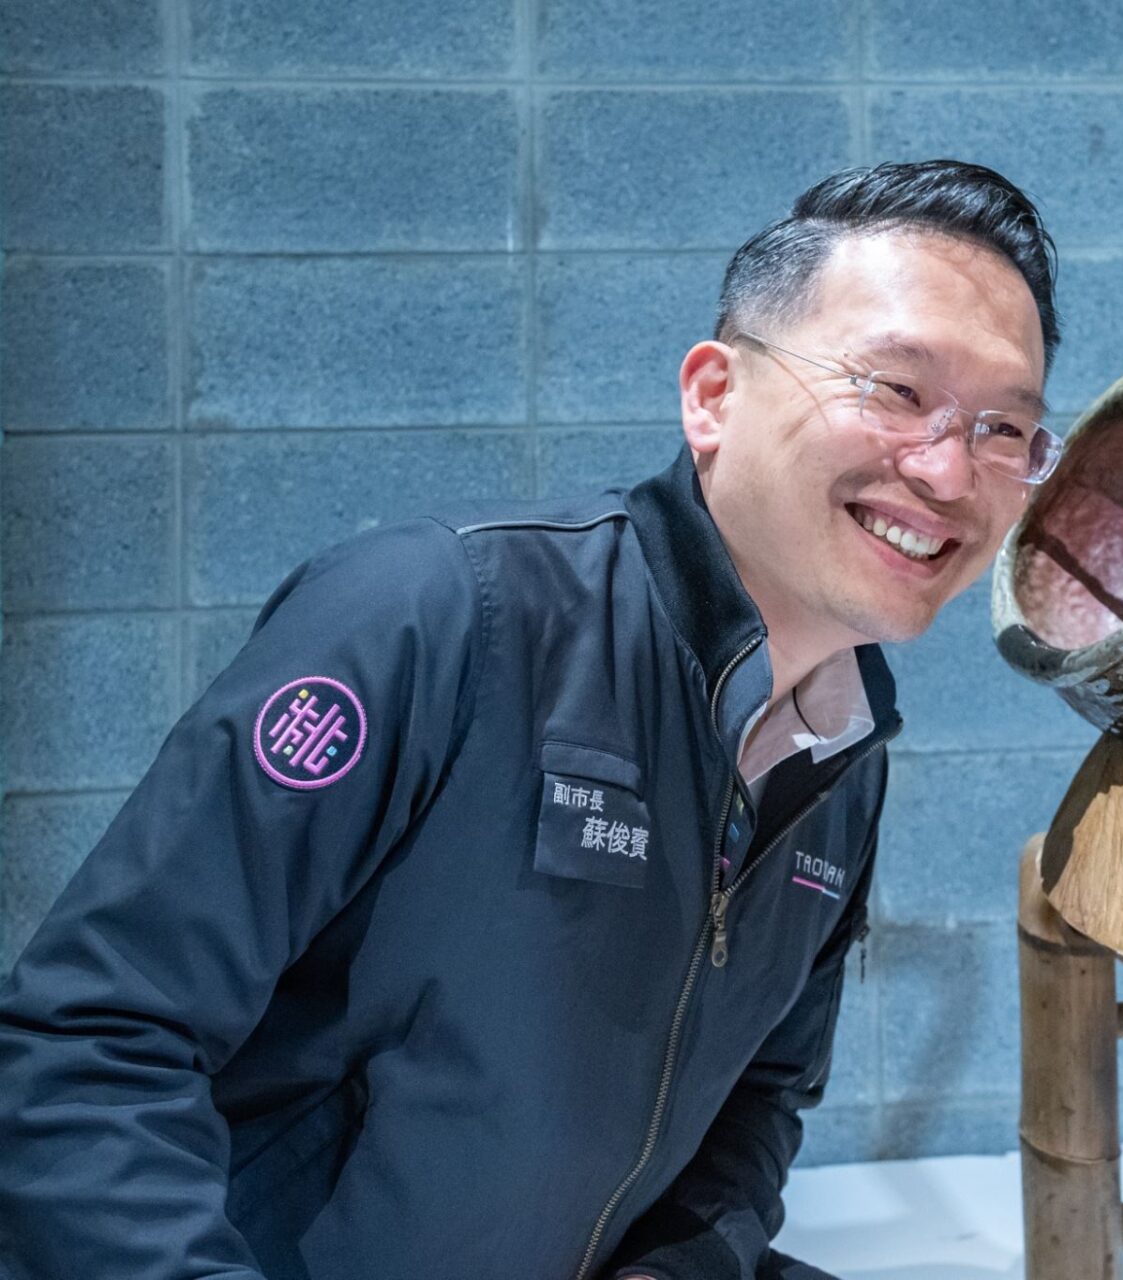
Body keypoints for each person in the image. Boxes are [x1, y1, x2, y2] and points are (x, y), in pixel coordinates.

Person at [0, 159, 1062, 1280]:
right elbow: (81, 1049)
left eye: (1004, 428)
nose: (950, 470)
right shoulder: (437, 614)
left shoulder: (841, 754)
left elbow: (756, 1105)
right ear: (712, 395)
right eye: (895, 391)